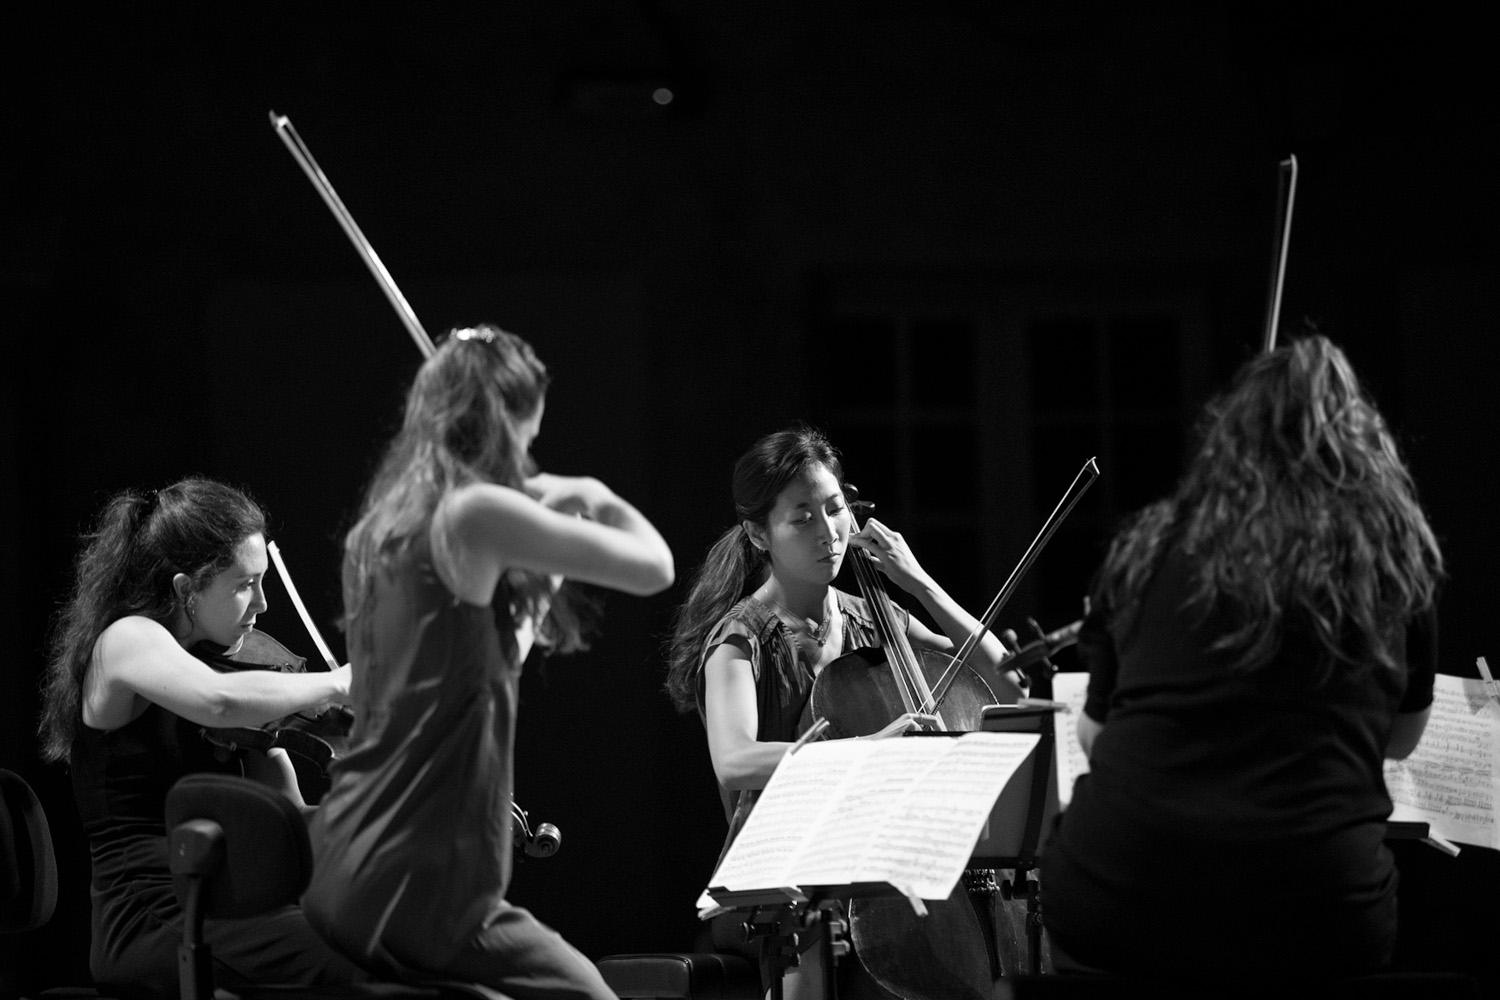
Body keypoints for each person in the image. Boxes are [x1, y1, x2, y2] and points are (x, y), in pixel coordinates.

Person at [1039, 334, 1445, 978]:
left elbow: (1098, 734)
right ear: (1365, 447)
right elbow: (1397, 741)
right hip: (1318, 914)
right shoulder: (1391, 559)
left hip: (1117, 896)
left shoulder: (1153, 543)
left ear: (1229, 441)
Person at [302, 324, 674, 998]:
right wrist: (588, 492)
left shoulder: (378, 528)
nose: (529, 456)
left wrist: (544, 570)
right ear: (505, 425)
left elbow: (488, 667)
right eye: (528, 439)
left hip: (344, 861)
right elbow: (656, 567)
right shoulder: (472, 513)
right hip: (421, 883)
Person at [662, 425, 1022, 999]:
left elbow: (1006, 674)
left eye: (835, 510)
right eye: (801, 518)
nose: (828, 532)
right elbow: (734, 761)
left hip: (888, 870)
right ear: (760, 534)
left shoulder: (873, 619)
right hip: (783, 887)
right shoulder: (742, 639)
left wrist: (920, 583)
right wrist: (866, 752)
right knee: (817, 929)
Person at [38, 477, 362, 998]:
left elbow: (292, 830)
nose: (262, 604)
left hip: (236, 908)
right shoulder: (127, 641)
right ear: (186, 589)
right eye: (244, 584)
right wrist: (338, 681)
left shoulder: (247, 708)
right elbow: (216, 698)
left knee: (390, 947)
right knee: (355, 970)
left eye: (262, 582)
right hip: (155, 918)